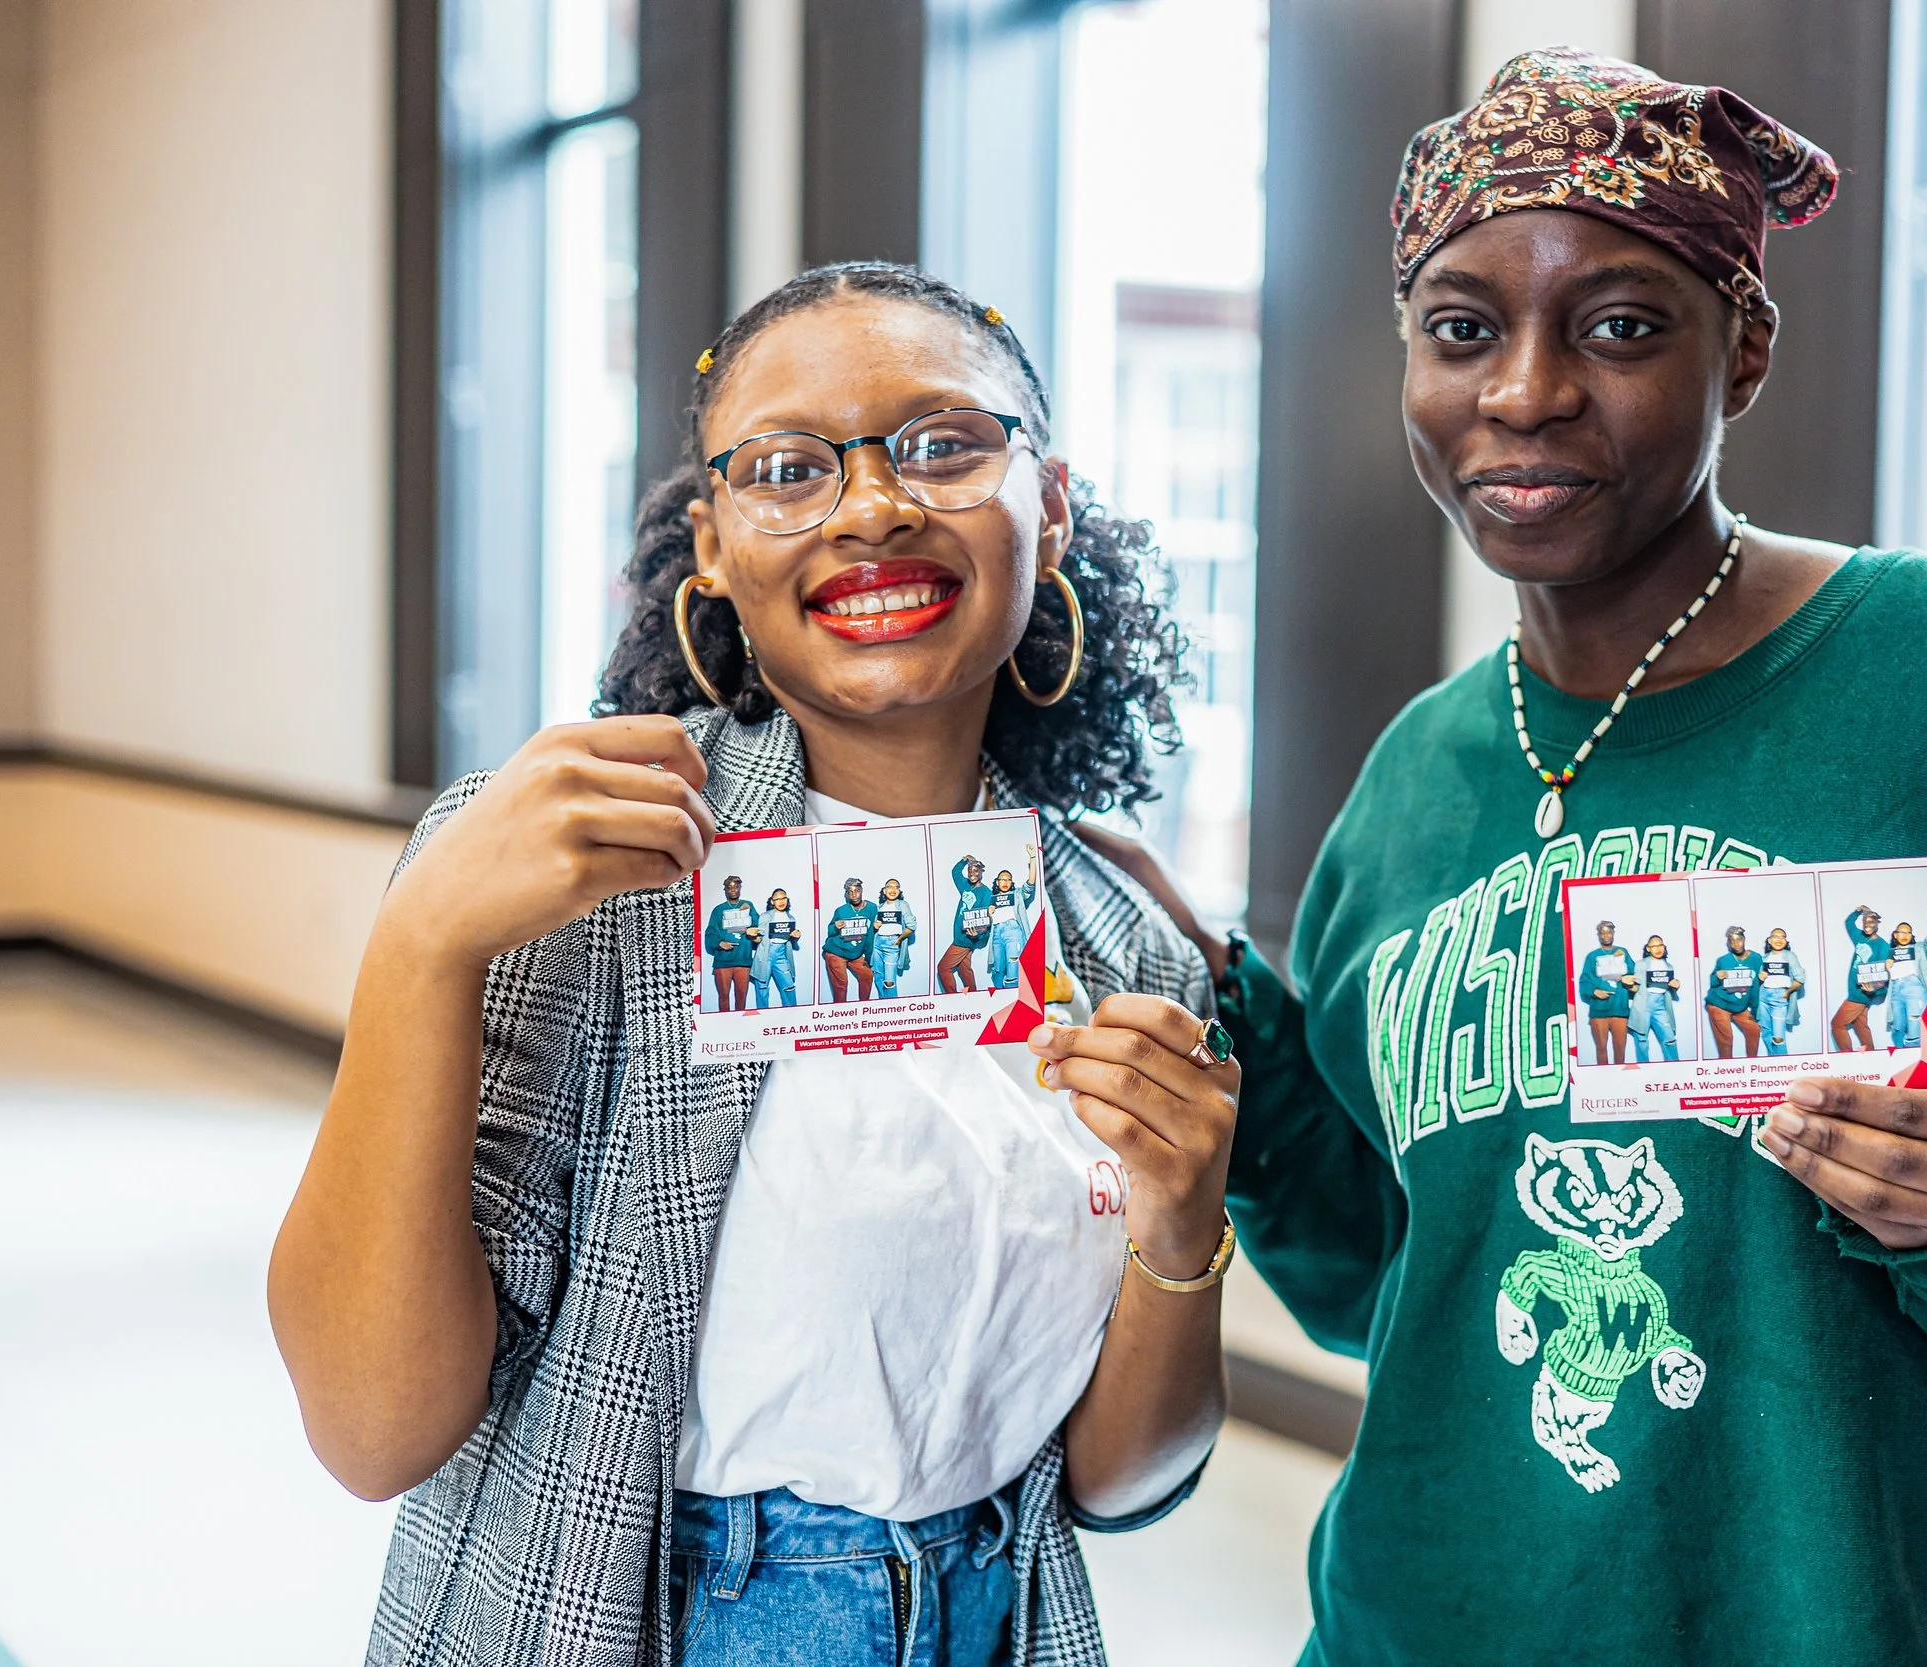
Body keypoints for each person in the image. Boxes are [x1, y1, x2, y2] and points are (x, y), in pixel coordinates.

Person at [1064, 48, 1927, 1667]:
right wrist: (1218, 1017)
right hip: (1420, 1622)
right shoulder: (1419, 776)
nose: (1525, 390)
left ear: (1743, 350)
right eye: (1462, 327)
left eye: (1619, 326)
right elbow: (1397, 1273)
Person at [271, 262, 1242, 1667]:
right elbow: (371, 1427)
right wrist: (422, 939)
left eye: (944, 444)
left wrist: (1180, 1228)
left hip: (999, 1625)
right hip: (651, 1615)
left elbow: (1117, 1482)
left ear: (1051, 501)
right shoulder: (584, 872)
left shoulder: (1123, 943)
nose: (873, 505)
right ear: (715, 541)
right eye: (789, 467)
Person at [1881, 896, 1927, 1048]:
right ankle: (1900, 1055)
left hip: (1914, 988)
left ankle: (1914, 1054)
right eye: (1901, 932)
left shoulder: (1919, 948)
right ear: (1895, 935)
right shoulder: (1890, 952)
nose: (1904, 934)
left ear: (1912, 935)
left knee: (1915, 1021)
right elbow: (1880, 978)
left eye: (1908, 932)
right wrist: (1886, 966)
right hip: (1896, 991)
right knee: (1898, 1026)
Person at [1575, 920, 1635, 1063]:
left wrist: (1629, 981)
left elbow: (1634, 974)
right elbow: (1584, 980)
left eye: (1609, 932)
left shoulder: (1623, 952)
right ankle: (1603, 1079)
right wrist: (1594, 991)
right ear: (1598, 935)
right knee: (1601, 1049)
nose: (1606, 935)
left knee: (1620, 1050)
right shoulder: (1592, 956)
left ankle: (1619, 1079)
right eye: (1602, 932)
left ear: (1613, 933)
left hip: (1620, 1009)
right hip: (1599, 1011)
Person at [1831, 904, 1889, 1051]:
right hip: (1855, 991)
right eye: (1864, 923)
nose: (1866, 926)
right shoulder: (1860, 938)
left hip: (1861, 994)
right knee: (1860, 1025)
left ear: (1877, 923)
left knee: (1837, 1025)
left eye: (1870, 922)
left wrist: (1874, 988)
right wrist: (1857, 911)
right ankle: (1870, 1053)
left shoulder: (1883, 946)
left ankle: (1847, 1056)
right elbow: (1848, 923)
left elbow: (1883, 974)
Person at [1704, 925, 1762, 1058]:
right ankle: (1727, 1069)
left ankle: (1752, 1064)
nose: (1736, 944)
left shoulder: (1756, 958)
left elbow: (1756, 986)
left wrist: (1755, 1009)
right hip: (1719, 1004)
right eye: (1732, 941)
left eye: (1739, 939)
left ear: (1744, 939)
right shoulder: (1723, 960)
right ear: (1729, 943)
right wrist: (1717, 977)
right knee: (1726, 1039)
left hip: (1739, 1007)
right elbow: (1713, 983)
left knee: (1754, 1030)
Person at [705, 875, 760, 1013]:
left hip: (743, 961)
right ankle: (725, 1025)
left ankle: (739, 1026)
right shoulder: (718, 910)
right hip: (723, 962)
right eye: (729, 887)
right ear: (725, 890)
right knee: (723, 997)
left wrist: (750, 912)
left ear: (740, 888)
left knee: (741, 998)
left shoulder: (748, 905)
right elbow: (709, 934)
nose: (733, 890)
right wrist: (719, 943)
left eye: (736, 886)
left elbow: (759, 926)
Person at [986, 851, 1039, 991]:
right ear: (997, 882)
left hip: (1013, 933)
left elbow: (1030, 883)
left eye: (1008, 879)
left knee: (1013, 965)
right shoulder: (991, 899)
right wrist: (989, 914)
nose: (1005, 882)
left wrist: (1032, 858)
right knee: (998, 968)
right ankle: (1000, 994)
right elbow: (984, 925)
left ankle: (1013, 996)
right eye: (1002, 879)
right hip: (997, 935)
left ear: (1011, 882)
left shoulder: (1017, 894)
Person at [939, 854, 990, 993]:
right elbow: (955, 872)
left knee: (943, 968)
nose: (972, 874)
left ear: (981, 872)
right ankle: (973, 997)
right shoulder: (966, 886)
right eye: (969, 871)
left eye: (975, 871)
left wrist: (977, 934)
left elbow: (985, 919)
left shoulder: (986, 892)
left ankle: (952, 997)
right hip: (960, 935)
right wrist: (964, 860)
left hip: (965, 938)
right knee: (964, 970)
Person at [823, 876, 879, 1002]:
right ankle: (841, 1014)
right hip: (836, 952)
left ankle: (863, 1007)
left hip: (855, 953)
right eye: (850, 892)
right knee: (841, 985)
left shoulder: (872, 908)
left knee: (867, 975)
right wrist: (835, 927)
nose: (854, 895)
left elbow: (870, 934)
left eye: (856, 890)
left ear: (862, 890)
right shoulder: (841, 910)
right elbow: (830, 931)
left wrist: (869, 957)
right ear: (847, 894)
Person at [1754, 926, 1808, 1056]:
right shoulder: (1764, 958)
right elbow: (1759, 977)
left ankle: (1783, 1064)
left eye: (1783, 937)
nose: (1779, 939)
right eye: (1776, 936)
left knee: (1778, 1038)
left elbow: (1801, 978)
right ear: (1769, 940)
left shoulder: (1789, 956)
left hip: (1780, 999)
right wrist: (1759, 976)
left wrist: (1788, 992)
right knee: (1766, 1031)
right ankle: (1774, 1062)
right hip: (1763, 999)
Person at [1630, 933, 1682, 1062]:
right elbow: (1633, 987)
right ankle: (1644, 1068)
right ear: (1648, 949)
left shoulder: (1669, 967)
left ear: (1664, 947)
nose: (1657, 948)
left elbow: (1669, 988)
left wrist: (1675, 985)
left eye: (1660, 945)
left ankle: (1675, 1067)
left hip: (1660, 1004)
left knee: (1669, 1038)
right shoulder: (1640, 964)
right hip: (1643, 1004)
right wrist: (1628, 983)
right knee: (1641, 1040)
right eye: (1653, 946)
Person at [870, 876, 920, 999]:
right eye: (890, 887)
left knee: (889, 982)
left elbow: (912, 926)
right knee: (878, 976)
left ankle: (892, 1007)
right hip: (877, 944)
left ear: (899, 891)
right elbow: (875, 927)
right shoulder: (879, 907)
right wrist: (874, 926)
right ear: (884, 890)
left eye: (896, 887)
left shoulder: (902, 905)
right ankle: (883, 1004)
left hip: (892, 945)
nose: (893, 890)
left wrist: (899, 939)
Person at [758, 886, 800, 1007]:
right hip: (766, 953)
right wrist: (752, 935)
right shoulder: (765, 916)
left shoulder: (791, 918)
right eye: (777, 899)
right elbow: (758, 938)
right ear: (772, 901)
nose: (781, 902)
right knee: (762, 987)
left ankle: (792, 1013)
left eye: (784, 898)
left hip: (782, 954)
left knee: (788, 986)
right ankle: (762, 1015)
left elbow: (792, 941)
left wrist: (796, 936)